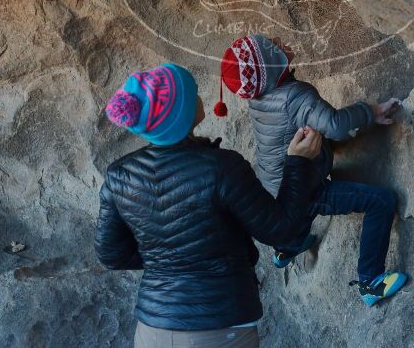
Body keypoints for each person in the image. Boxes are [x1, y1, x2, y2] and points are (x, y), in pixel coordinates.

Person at [95, 63, 323, 347]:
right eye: (193, 96)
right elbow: (282, 231)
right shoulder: (221, 168)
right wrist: (299, 162)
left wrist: (168, 260)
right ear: (180, 114)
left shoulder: (119, 176)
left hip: (152, 330)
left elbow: (111, 255)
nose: (200, 98)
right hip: (218, 330)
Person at [214, 34, 408, 306]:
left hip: (272, 191)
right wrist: (371, 112)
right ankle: (369, 281)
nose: (279, 39)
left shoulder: (260, 97)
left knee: (290, 218)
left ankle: (286, 248)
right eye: (271, 46)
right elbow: (337, 126)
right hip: (304, 190)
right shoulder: (294, 96)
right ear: (269, 66)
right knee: (381, 201)